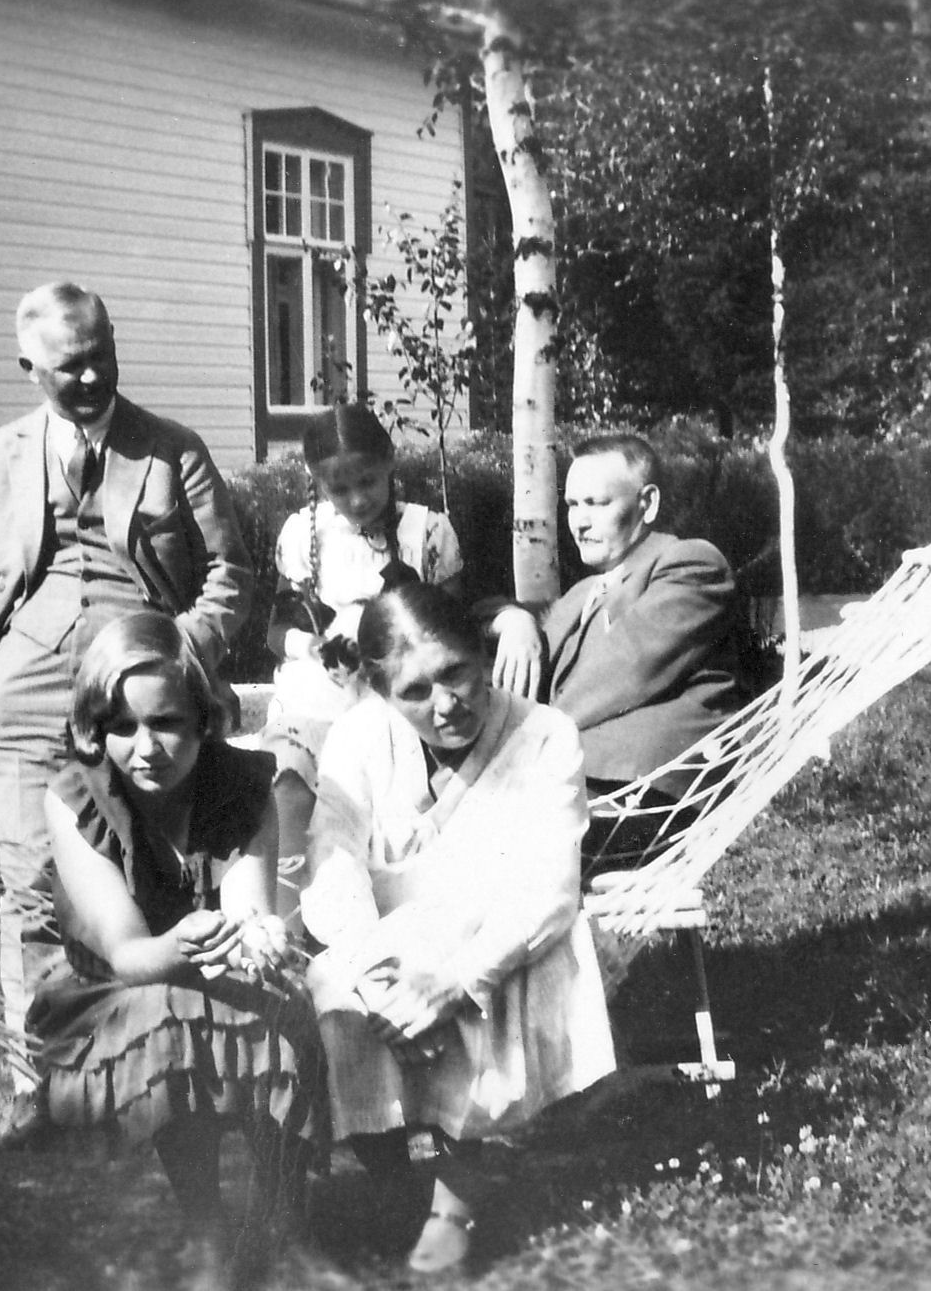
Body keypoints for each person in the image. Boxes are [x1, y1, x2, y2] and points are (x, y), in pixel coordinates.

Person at [0, 281, 253, 1120]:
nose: (90, 378)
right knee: (32, 887)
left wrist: (181, 656)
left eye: (101, 356)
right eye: (69, 366)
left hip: (140, 696)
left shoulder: (172, 449)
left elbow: (230, 572)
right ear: (29, 367)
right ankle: (39, 1080)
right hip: (27, 697)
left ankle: (156, 1064)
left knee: (152, 881)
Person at [300, 583, 616, 1274]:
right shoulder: (359, 736)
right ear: (381, 690)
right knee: (334, 1000)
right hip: (391, 949)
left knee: (480, 1008)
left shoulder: (544, 735)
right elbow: (332, 855)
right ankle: (401, 1180)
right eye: (415, 691)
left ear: (482, 653)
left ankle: (453, 1199)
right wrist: (377, 979)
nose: (445, 704)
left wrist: (456, 981)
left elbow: (549, 889)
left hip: (503, 939)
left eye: (456, 674)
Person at [29, 612, 323, 1285]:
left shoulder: (244, 784)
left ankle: (279, 1205)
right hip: (120, 984)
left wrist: (255, 937)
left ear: (202, 719)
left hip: (212, 958)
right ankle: (205, 1221)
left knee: (276, 1011)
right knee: (169, 1024)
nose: (146, 748)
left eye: (165, 723)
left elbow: (248, 908)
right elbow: (128, 952)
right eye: (122, 727)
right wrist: (183, 946)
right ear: (96, 729)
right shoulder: (75, 799)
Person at [262, 403, 464, 894]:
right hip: (320, 699)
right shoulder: (305, 533)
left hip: (395, 703)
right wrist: (315, 646)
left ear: (389, 460)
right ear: (317, 481)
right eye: (339, 489)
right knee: (287, 776)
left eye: (368, 482)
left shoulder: (425, 531)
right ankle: (289, 912)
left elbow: (451, 629)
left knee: (391, 810)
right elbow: (279, 628)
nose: (356, 500)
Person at [490, 433, 750, 798]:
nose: (579, 522)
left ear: (648, 503)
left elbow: (628, 667)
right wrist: (513, 620)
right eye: (572, 505)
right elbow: (473, 625)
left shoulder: (689, 564)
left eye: (596, 503)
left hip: (643, 788)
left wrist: (516, 743)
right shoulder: (582, 593)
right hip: (570, 780)